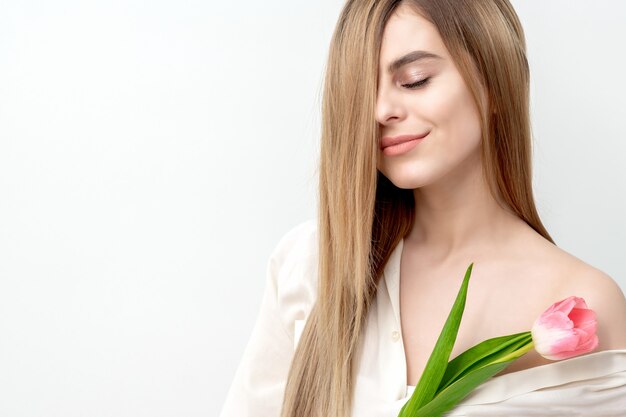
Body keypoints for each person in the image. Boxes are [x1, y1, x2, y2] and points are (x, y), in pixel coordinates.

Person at [219, 0, 626, 416]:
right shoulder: (311, 265)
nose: (380, 111)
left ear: (496, 83)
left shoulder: (579, 305)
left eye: (414, 80)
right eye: (360, 92)